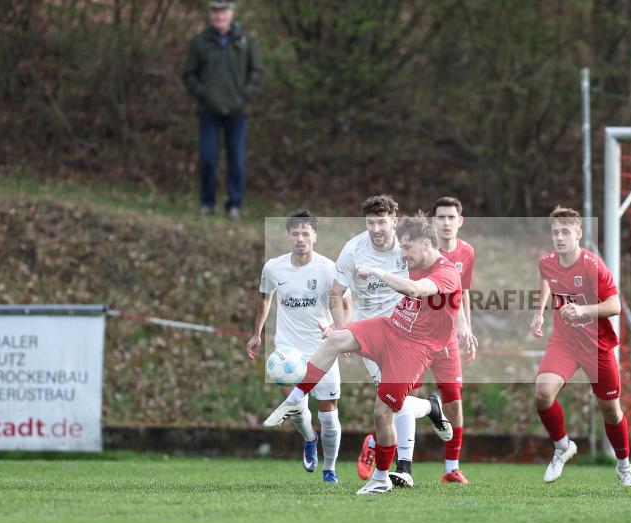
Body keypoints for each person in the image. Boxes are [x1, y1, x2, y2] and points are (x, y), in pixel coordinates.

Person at [271, 213, 459, 494]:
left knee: (384, 413)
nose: (403, 254)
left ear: (427, 244)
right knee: (336, 340)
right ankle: (295, 399)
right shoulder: (414, 259)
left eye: (407, 248)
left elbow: (415, 290)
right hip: (390, 328)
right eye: (402, 248)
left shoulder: (446, 271)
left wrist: (377, 271)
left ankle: (382, 477)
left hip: (414, 349)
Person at [331, 196, 457, 488]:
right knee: (393, 403)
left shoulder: (409, 248)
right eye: (370, 222)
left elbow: (434, 291)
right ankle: (428, 409)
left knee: (390, 404)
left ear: (394, 221)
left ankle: (401, 468)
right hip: (372, 334)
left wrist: (449, 331)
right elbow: (336, 293)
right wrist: (342, 329)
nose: (376, 228)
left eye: (381, 221)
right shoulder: (354, 249)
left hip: (407, 334)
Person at [529, 206, 631, 486]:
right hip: (564, 342)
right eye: (555, 232)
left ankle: (624, 467)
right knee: (542, 394)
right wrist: (539, 312)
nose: (559, 237)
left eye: (565, 232)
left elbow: (614, 305)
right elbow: (547, 281)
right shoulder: (546, 261)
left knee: (611, 411)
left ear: (578, 234)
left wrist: (583, 311)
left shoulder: (592, 265)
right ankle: (563, 446)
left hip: (596, 345)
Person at [247, 211, 350, 483]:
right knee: (296, 407)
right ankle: (309, 438)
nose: (301, 239)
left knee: (328, 414)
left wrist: (341, 331)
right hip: (287, 351)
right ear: (288, 236)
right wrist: (256, 334)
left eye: (306, 234)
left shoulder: (330, 269)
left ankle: (330, 469)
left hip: (323, 349)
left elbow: (346, 303)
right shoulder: (273, 267)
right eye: (295, 234)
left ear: (315, 236)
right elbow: (264, 298)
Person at [182, 1, 262, 220]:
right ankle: (207, 202)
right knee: (208, 158)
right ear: (211, 15)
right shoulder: (200, 42)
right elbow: (189, 74)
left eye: (223, 11)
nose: (219, 16)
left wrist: (244, 94)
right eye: (215, 12)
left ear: (232, 13)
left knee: (236, 160)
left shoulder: (246, 40)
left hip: (237, 113)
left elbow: (256, 72)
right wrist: (202, 93)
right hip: (209, 111)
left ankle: (234, 204)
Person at [423, 196, 477, 484]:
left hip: (450, 338)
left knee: (454, 401)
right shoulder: (422, 251)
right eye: (441, 217)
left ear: (460, 221)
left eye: (451, 217)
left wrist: (466, 327)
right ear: (433, 221)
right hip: (418, 337)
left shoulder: (467, 252)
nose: (446, 222)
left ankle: (451, 468)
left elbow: (462, 292)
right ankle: (394, 458)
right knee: (401, 398)